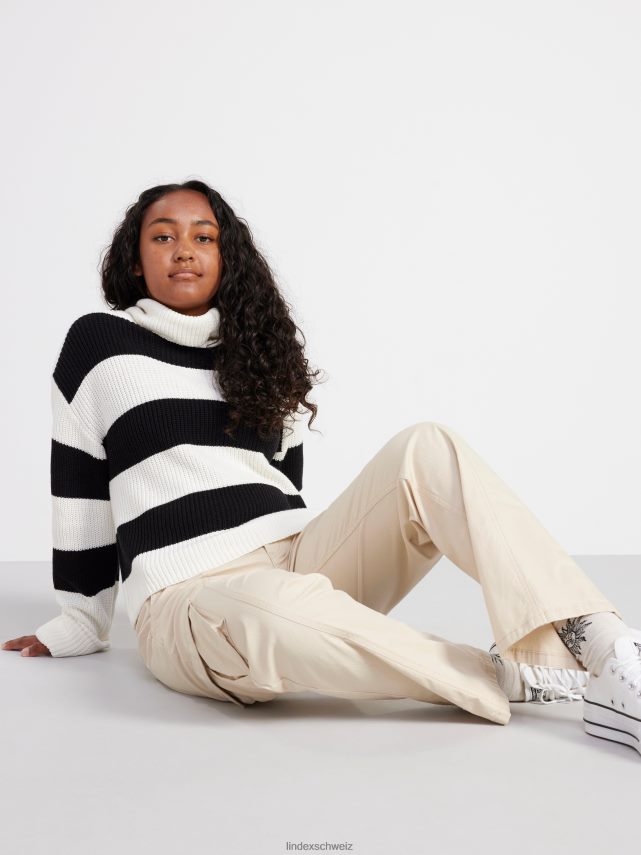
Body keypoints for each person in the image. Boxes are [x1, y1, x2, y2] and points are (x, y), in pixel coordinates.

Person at [3, 179, 640, 755]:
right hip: (185, 598)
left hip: (296, 560)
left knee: (427, 446)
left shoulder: (257, 349)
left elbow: (288, 483)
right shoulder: (98, 343)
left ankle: (605, 649)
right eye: (163, 237)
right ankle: (511, 672)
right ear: (134, 259)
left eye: (204, 237)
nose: (184, 251)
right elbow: (78, 487)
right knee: (266, 607)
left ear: (227, 257)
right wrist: (81, 621)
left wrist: (302, 562)